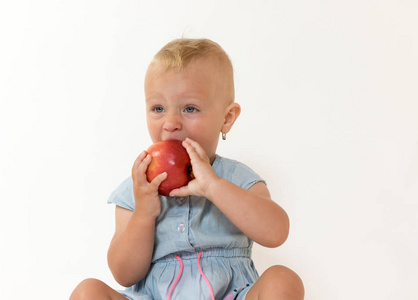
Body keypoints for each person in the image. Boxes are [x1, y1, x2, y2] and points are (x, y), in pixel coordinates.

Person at [70, 38, 304, 300]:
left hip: (230, 294)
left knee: (283, 280)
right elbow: (124, 274)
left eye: (189, 108)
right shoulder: (136, 188)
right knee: (87, 292)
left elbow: (276, 232)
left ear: (226, 119)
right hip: (157, 295)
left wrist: (214, 187)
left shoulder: (237, 178)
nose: (170, 123)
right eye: (158, 108)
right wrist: (144, 212)